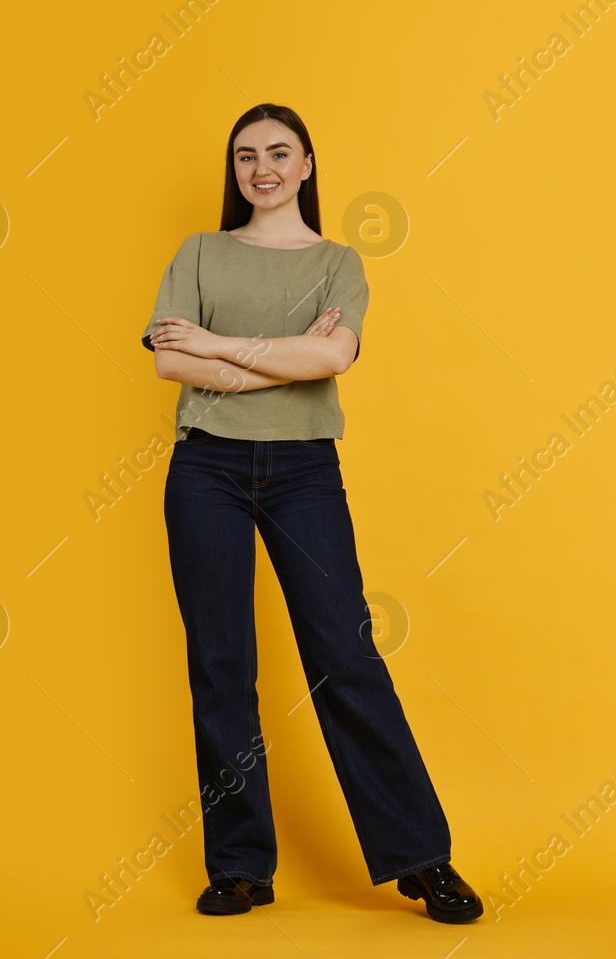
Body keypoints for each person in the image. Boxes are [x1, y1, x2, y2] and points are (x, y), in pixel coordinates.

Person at [141, 102, 482, 924]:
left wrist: (215, 345)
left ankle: (421, 858)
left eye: (279, 152)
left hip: (304, 473)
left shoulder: (338, 262)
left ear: (306, 165)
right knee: (222, 665)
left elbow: (331, 357)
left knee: (346, 655)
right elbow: (167, 365)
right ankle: (241, 867)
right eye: (246, 155)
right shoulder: (198, 251)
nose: (261, 167)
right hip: (205, 471)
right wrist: (278, 356)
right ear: (236, 170)